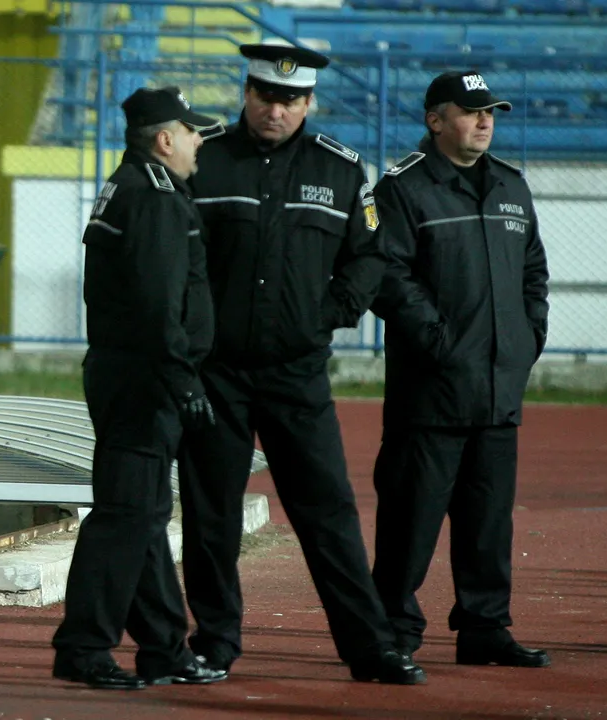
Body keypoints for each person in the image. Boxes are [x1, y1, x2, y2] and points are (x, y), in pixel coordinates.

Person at [180, 42, 425, 684]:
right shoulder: (204, 159)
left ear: (310, 102)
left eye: (290, 99)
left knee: (328, 513)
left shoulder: (341, 170)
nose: (276, 109)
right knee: (212, 518)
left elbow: (371, 255)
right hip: (217, 375)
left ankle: (370, 647)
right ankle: (214, 643)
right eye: (265, 94)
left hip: (296, 373)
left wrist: (331, 313)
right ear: (246, 93)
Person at [369, 70, 552, 668]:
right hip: (432, 393)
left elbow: (534, 274)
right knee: (409, 522)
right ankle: (392, 633)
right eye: (471, 111)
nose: (484, 121)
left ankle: (484, 627)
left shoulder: (511, 186)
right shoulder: (401, 188)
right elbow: (386, 277)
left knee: (488, 524)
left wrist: (528, 338)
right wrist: (440, 342)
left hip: (499, 390)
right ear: (434, 120)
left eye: (490, 111)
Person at [51, 86, 228, 691]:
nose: (201, 141)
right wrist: (183, 379)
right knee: (125, 516)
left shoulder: (132, 186)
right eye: (193, 131)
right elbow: (158, 304)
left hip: (134, 373)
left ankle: (162, 646)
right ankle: (82, 645)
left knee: (146, 516)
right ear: (165, 139)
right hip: (144, 379)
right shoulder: (154, 199)